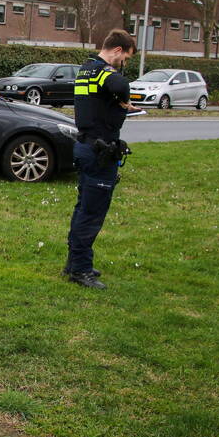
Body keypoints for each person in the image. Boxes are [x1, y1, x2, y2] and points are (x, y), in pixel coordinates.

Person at [65, 28, 141, 290]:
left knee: (83, 209)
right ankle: (81, 270)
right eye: (125, 58)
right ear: (117, 50)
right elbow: (120, 85)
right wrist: (124, 100)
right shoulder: (102, 71)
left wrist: (119, 106)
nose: (124, 64)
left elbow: (97, 102)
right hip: (99, 152)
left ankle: (74, 263)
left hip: (86, 147)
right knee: (91, 214)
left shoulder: (86, 69)